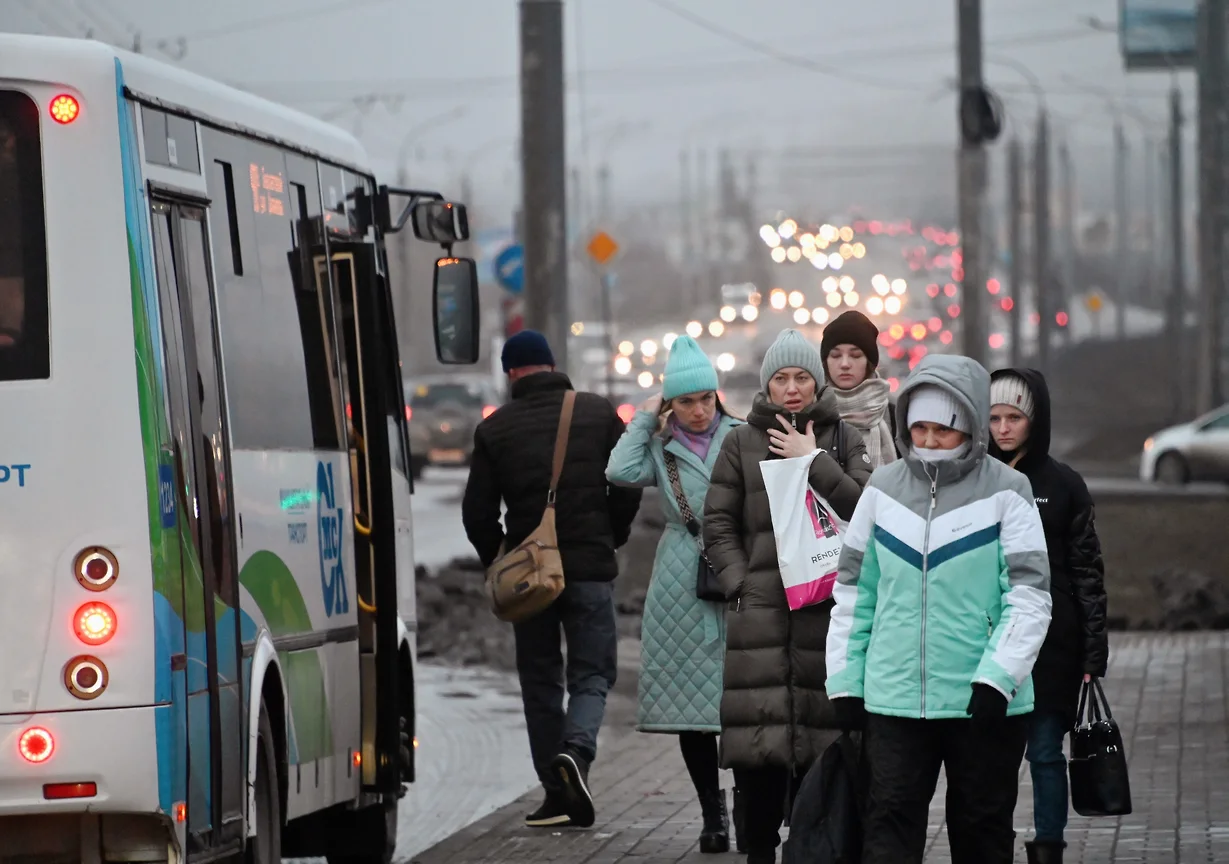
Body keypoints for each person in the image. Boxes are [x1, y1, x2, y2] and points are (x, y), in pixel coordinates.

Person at [825, 353, 1053, 864]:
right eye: (919, 428)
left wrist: (999, 677)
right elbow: (854, 594)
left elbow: (1030, 595)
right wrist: (844, 680)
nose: (928, 441)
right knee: (888, 827)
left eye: (942, 430)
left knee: (981, 830)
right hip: (895, 700)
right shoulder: (883, 490)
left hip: (984, 702)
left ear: (971, 425)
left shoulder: (1008, 491)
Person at [462, 330, 643, 829]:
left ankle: (555, 789)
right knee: (593, 674)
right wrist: (612, 534)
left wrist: (501, 557)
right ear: (552, 364)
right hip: (588, 569)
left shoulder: (495, 430)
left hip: (530, 576)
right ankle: (577, 754)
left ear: (510, 373)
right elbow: (627, 481)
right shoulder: (596, 412)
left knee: (540, 681)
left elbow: (476, 514)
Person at [703, 328, 871, 864]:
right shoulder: (738, 442)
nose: (793, 388)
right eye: (782, 378)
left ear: (816, 382)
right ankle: (757, 851)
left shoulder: (844, 436)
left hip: (827, 618)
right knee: (760, 755)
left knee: (822, 757)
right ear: (767, 385)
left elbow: (868, 511)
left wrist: (813, 458)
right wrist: (741, 584)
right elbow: (718, 524)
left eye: (802, 377)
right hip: (761, 624)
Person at [605, 335, 742, 854]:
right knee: (693, 706)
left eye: (706, 398)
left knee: (748, 700)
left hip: (736, 572)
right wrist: (643, 420)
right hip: (682, 579)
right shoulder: (661, 447)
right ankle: (713, 811)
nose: (699, 410)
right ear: (670, 404)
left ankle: (751, 803)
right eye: (686, 401)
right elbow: (618, 471)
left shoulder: (741, 435)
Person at [989, 369, 1109, 864]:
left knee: (1043, 754)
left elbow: (1087, 573)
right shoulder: (974, 480)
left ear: (1035, 419)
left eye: (1014, 416)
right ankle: (989, 841)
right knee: (991, 761)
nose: (1003, 428)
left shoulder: (1063, 485)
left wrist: (1093, 652)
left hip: (1053, 648)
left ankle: (1048, 845)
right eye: (993, 417)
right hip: (989, 643)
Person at [821, 309, 898, 468]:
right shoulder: (813, 414)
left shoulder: (895, 416)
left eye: (855, 356)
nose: (844, 364)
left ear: (869, 362)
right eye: (835, 356)